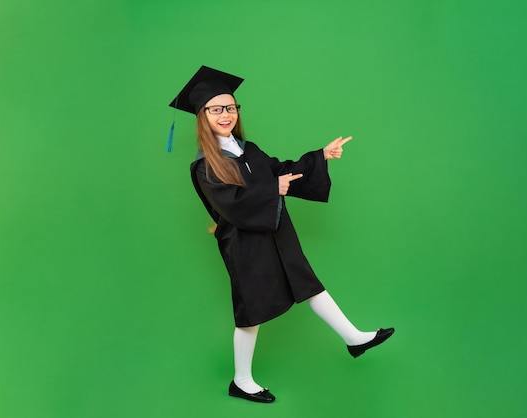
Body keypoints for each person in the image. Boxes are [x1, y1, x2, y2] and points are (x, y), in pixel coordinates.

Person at [169, 65, 394, 403]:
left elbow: (282, 170)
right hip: (244, 243)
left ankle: (354, 338)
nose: (226, 114)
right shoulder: (205, 165)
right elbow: (232, 204)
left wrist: (320, 156)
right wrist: (273, 188)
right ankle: (241, 381)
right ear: (203, 116)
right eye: (216, 109)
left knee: (306, 282)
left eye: (231, 107)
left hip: (276, 230)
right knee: (252, 311)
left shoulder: (250, 149)